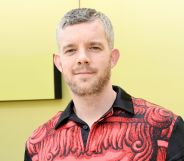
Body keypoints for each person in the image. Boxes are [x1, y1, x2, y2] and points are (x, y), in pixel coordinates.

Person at [24, 8, 184, 161]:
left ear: (112, 57)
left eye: (94, 47)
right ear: (59, 63)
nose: (82, 58)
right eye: (71, 50)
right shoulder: (37, 144)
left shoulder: (166, 128)